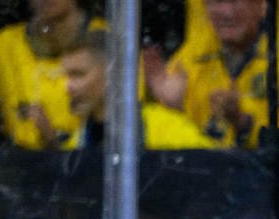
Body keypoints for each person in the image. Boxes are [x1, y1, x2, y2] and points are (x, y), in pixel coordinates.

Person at [154, 0, 279, 147]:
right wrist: (172, 108)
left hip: (271, 172)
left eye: (236, 0)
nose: (227, 12)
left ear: (260, 4)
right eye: (217, 0)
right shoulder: (193, 55)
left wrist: (245, 123)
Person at [0, 0, 103, 148]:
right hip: (18, 165)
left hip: (89, 162)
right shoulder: (0, 48)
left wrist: (53, 141)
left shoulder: (109, 40)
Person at [59, 28, 212, 148]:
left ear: (112, 73)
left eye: (78, 75)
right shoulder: (76, 143)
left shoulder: (166, 129)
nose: (68, 86)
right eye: (67, 76)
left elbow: (216, 169)